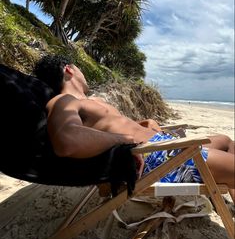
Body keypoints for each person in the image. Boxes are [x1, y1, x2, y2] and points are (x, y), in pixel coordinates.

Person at [34, 54, 235, 202]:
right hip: (157, 157)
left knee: (226, 141)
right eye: (79, 68)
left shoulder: (91, 102)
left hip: (162, 145)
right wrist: (123, 139)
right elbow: (66, 142)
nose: (82, 73)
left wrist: (144, 125)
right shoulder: (63, 101)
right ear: (69, 69)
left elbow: (107, 127)